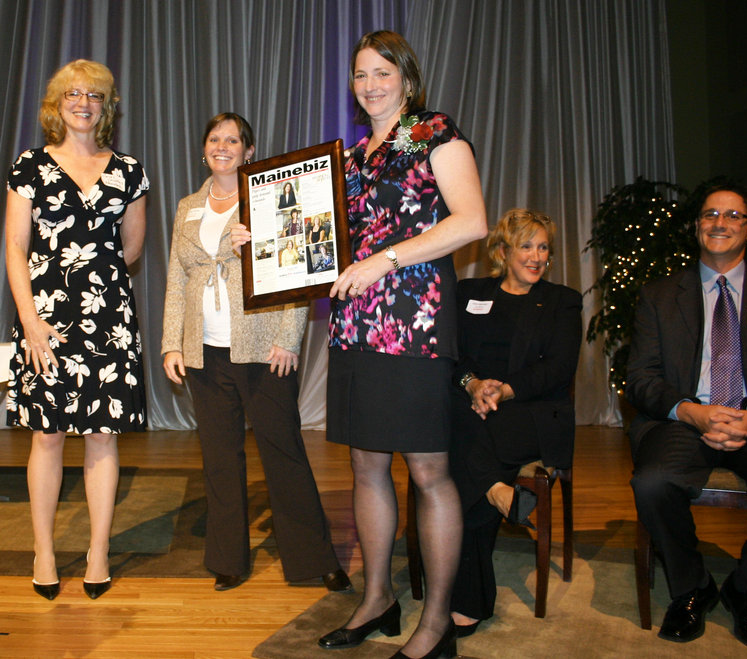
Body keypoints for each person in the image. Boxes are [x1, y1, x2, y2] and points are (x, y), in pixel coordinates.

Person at [319, 30, 487, 659]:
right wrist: (273, 251)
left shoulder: (434, 133)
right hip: (356, 323)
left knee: (428, 470)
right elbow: (330, 242)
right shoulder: (353, 156)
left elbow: (471, 221)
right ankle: (378, 598)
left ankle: (437, 621)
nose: (370, 85)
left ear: (407, 78)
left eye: (382, 72)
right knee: (366, 465)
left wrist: (384, 261)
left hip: (413, 322)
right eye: (361, 75)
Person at [162, 113, 351, 594]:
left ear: (249, 151)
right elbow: (177, 281)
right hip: (204, 350)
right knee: (219, 458)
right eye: (214, 138)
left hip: (263, 348)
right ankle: (228, 559)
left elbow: (297, 266)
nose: (222, 146)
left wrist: (289, 338)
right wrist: (171, 344)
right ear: (203, 148)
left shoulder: (269, 195)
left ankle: (314, 558)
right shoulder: (187, 206)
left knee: (284, 453)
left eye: (233, 140)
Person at [627, 183, 747, 653]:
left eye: (732, 215)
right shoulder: (659, 296)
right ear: (696, 226)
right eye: (709, 215)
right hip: (685, 418)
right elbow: (640, 377)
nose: (719, 223)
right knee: (653, 481)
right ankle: (690, 587)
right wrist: (693, 412)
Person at [5, 59, 148, 600]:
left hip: (107, 321)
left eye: (95, 95)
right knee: (47, 435)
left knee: (102, 439)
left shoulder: (129, 170)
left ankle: (99, 552)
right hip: (45, 321)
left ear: (106, 106)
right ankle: (43, 551)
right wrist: (30, 320)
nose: (83, 102)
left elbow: (131, 249)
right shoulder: (30, 166)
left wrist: (99, 284)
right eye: (73, 94)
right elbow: (15, 248)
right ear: (57, 104)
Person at [448, 209, 582, 636]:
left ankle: (468, 600)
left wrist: (502, 391)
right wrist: (474, 386)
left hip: (533, 413)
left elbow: (557, 369)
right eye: (527, 245)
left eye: (544, 247)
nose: (537, 256)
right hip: (475, 409)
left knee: (466, 448)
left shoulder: (562, 301)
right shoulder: (468, 292)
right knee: (472, 435)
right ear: (503, 251)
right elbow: (452, 354)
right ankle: (499, 492)